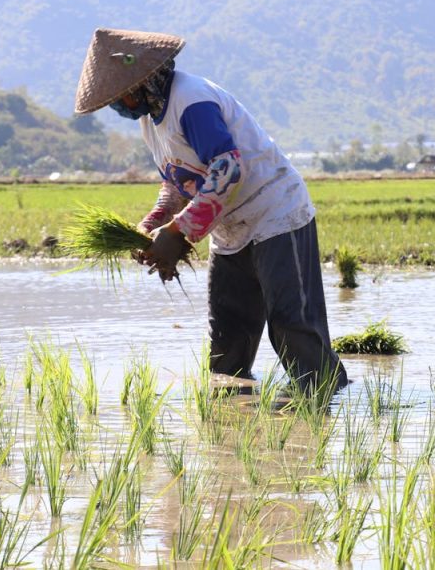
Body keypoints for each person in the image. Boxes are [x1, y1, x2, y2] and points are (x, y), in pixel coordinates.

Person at [74, 27, 347, 395]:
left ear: (142, 82)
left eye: (118, 95)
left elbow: (227, 168)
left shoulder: (191, 100)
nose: (116, 105)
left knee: (291, 324)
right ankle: (231, 424)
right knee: (227, 335)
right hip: (230, 226)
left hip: (273, 212)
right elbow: (177, 181)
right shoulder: (150, 121)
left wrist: (177, 232)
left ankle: (331, 404)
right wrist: (155, 222)